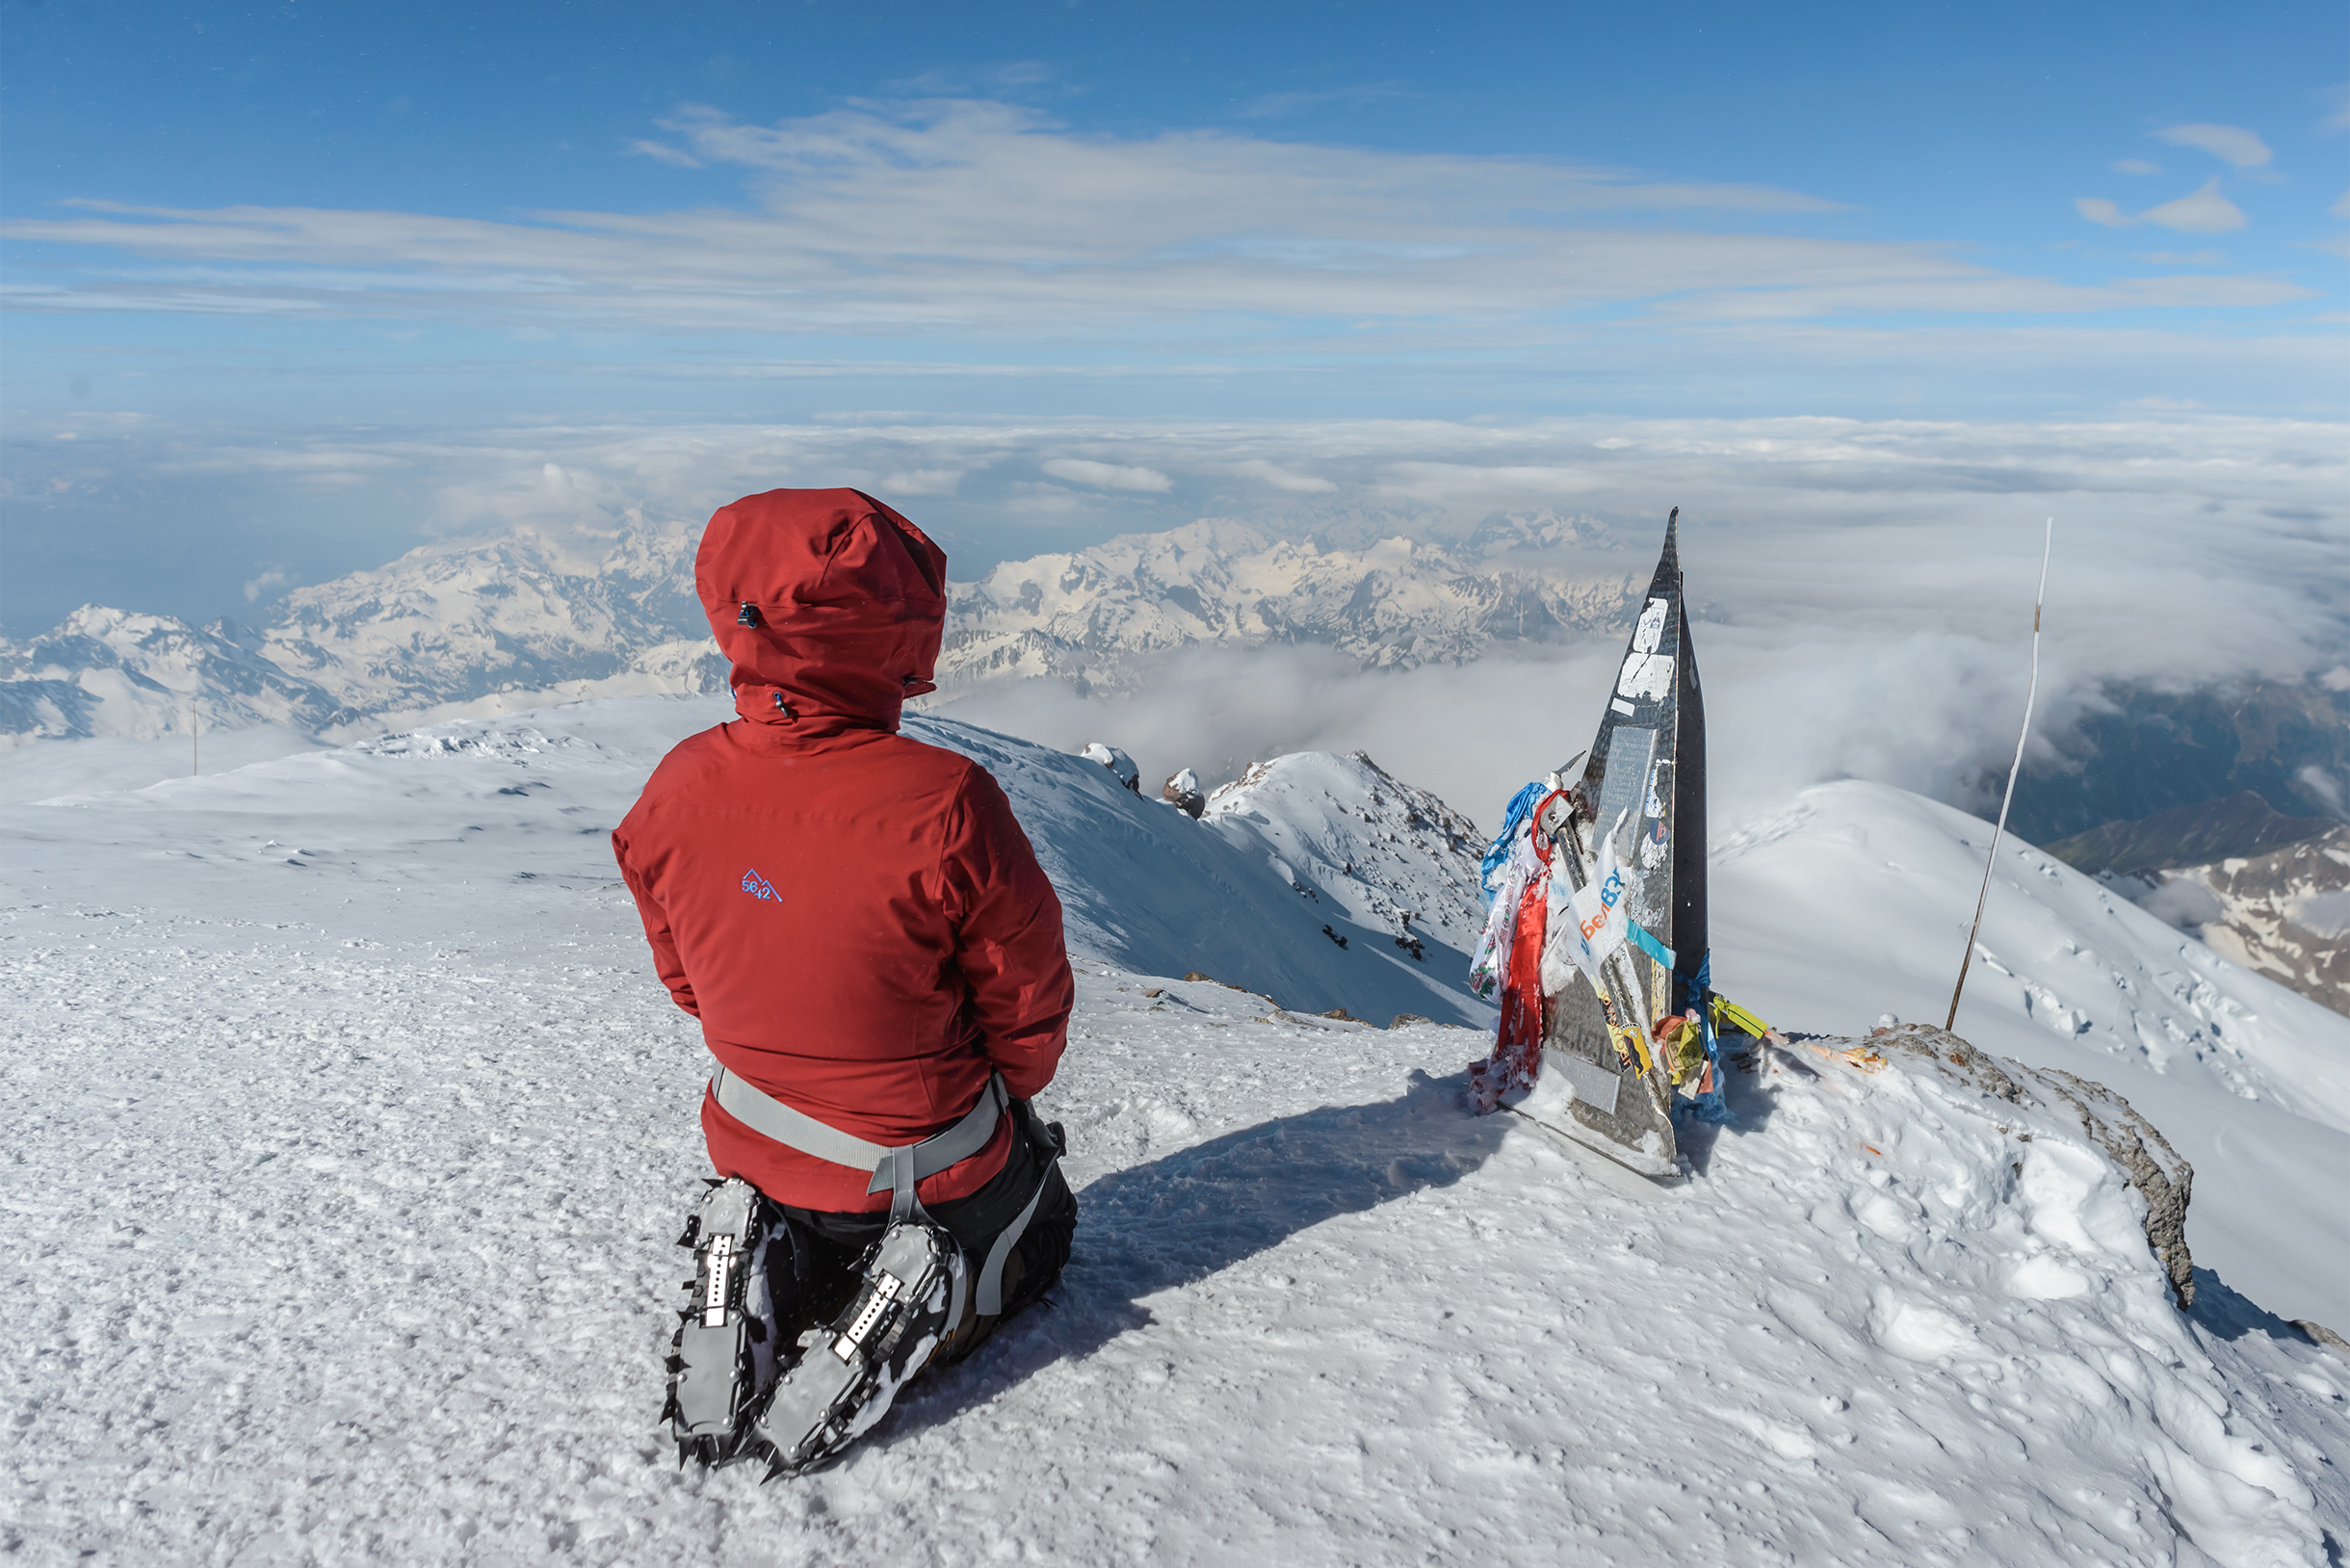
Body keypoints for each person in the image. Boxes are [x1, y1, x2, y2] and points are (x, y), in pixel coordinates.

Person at [611, 487, 1078, 1477]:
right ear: (899, 623)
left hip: (753, 1131)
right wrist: (1009, 1092)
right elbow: (1027, 1008)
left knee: (806, 1185)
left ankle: (771, 1246)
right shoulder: (947, 804)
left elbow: (687, 982)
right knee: (1043, 1224)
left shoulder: (674, 786)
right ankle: (931, 1290)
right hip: (920, 1163)